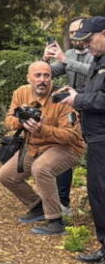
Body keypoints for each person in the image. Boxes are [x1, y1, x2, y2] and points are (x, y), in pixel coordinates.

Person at [0, 61, 83, 236]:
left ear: (51, 77)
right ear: (28, 78)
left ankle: (55, 221)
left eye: (47, 75)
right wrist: (21, 121)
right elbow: (8, 119)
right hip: (34, 146)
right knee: (6, 176)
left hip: (66, 148)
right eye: (38, 76)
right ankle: (37, 207)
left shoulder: (63, 96)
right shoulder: (20, 93)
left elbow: (72, 136)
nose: (42, 80)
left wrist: (42, 129)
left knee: (41, 168)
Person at [58, 16, 105, 264]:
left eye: (89, 39)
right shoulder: (98, 61)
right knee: (98, 194)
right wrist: (77, 97)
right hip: (96, 137)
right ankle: (103, 247)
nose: (86, 45)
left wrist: (80, 100)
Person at [45, 17, 93, 212]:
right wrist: (45, 59)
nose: (75, 37)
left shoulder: (97, 54)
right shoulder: (71, 53)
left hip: (95, 111)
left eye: (79, 32)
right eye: (72, 33)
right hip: (72, 112)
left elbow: (93, 72)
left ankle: (95, 204)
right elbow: (45, 74)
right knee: (64, 151)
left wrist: (66, 60)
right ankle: (63, 203)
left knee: (96, 157)